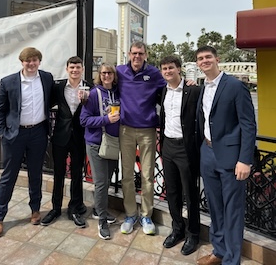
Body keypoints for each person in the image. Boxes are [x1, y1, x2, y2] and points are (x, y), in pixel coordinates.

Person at [195, 46, 257, 265]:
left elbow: (248, 125)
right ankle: (219, 252)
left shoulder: (235, 86)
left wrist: (244, 159)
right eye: (200, 58)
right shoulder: (203, 87)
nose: (204, 61)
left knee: (233, 211)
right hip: (208, 152)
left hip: (232, 158)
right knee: (215, 207)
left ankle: (232, 260)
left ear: (216, 59)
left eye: (208, 57)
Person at [0, 47, 53, 238]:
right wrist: (3, 133)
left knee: (36, 174)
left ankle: (35, 210)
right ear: (22, 62)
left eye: (35, 60)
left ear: (39, 62)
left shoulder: (46, 78)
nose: (32, 63)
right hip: (15, 135)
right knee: (8, 177)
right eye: (28, 60)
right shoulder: (8, 82)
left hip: (38, 133)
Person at [117, 41, 166, 235]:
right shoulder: (119, 71)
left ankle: (146, 215)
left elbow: (170, 87)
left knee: (147, 176)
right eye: (134, 53)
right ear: (129, 54)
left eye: (141, 53)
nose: (137, 56)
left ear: (146, 55)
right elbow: (103, 83)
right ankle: (130, 214)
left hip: (147, 130)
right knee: (127, 175)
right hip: (125, 130)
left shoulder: (154, 73)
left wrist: (187, 83)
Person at [40, 56, 91, 228]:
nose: (75, 70)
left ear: (82, 69)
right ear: (67, 69)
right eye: (72, 67)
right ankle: (55, 208)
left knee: (77, 174)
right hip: (60, 137)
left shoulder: (89, 88)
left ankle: (75, 208)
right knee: (58, 173)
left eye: (78, 67)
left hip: (79, 137)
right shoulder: (58, 87)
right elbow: (46, 104)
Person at [159, 55, 201, 255]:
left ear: (179, 69)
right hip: (167, 146)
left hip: (185, 149)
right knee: (172, 192)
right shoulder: (163, 92)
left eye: (171, 68)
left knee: (190, 194)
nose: (168, 71)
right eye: (164, 69)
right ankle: (178, 229)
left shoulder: (193, 90)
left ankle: (193, 234)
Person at [80, 63, 120, 240]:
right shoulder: (93, 94)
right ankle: (102, 221)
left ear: (114, 75)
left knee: (106, 181)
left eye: (110, 72)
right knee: (101, 183)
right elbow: (84, 120)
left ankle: (98, 208)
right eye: (103, 73)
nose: (106, 75)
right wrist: (106, 120)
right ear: (99, 75)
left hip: (113, 143)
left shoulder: (118, 93)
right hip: (96, 143)